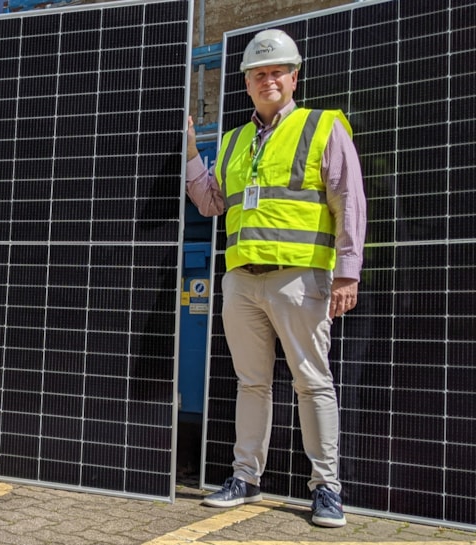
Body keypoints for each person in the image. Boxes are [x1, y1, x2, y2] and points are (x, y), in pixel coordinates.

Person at [185, 29, 365, 528]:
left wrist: (347, 272)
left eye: (277, 72)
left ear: (294, 77)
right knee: (251, 383)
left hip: (301, 279)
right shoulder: (234, 141)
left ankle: (326, 487)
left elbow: (349, 201)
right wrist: (188, 153)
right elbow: (212, 203)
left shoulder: (322, 127)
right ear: (246, 83)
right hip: (242, 281)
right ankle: (245, 477)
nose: (268, 80)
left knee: (312, 382)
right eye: (259, 74)